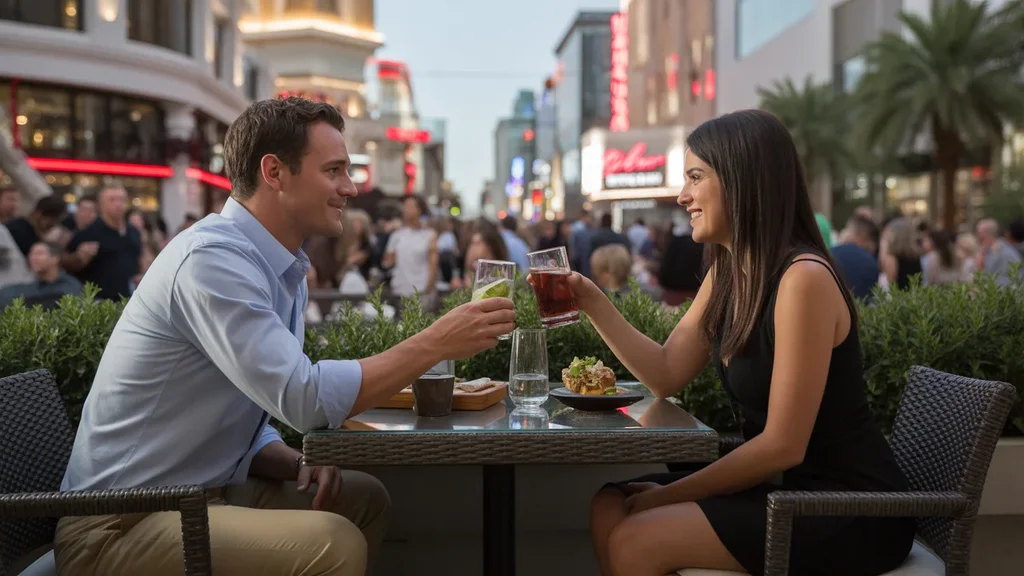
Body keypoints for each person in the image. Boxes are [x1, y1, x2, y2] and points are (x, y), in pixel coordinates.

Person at [55, 97, 516, 576]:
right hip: (115, 527)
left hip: (192, 496)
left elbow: (246, 409)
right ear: (274, 172)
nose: (350, 187)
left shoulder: (275, 265)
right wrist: (438, 341)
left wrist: (292, 461)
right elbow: (304, 398)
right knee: (330, 542)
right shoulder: (212, 260)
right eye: (334, 170)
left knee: (363, 500)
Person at [535, 110, 914, 575]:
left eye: (695, 177)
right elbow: (665, 373)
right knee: (610, 504)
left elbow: (782, 446)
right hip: (781, 490)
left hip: (845, 507)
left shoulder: (803, 280)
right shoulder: (730, 272)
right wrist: (592, 300)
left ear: (742, 181)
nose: (682, 196)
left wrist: (670, 495)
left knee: (636, 535)